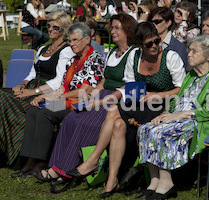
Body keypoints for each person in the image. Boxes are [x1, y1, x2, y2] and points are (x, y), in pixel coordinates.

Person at [66, 22, 186, 199]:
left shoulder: (171, 57)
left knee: (114, 112)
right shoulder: (134, 57)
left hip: (165, 105)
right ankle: (112, 179)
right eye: (149, 44)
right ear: (139, 46)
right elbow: (130, 86)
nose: (154, 46)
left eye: (156, 41)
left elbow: (182, 89)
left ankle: (93, 162)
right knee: (117, 125)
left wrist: (158, 95)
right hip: (140, 103)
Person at [33, 14, 137, 183]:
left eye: (117, 27)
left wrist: (57, 97)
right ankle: (53, 166)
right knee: (67, 118)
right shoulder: (105, 53)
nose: (112, 31)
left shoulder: (103, 57)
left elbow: (125, 86)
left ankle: (63, 168)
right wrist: (92, 96)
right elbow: (102, 82)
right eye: (112, 27)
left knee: (65, 117)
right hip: (93, 96)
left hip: (113, 99)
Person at [137, 35, 209, 199]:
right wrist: (166, 114)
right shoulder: (191, 74)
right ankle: (154, 181)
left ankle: (167, 183)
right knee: (146, 129)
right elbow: (178, 101)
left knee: (161, 132)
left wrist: (182, 115)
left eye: (194, 51)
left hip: (201, 121)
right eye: (189, 50)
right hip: (180, 117)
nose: (189, 54)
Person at [11, 22, 105, 178]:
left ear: (87, 39)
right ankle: (28, 160)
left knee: (45, 113)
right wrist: (45, 96)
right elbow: (63, 86)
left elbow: (85, 90)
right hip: (66, 100)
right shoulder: (73, 60)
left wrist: (56, 97)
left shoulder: (94, 60)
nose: (71, 44)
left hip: (81, 103)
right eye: (70, 40)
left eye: (75, 40)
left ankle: (41, 162)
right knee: (34, 110)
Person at [0, 12, 74, 167]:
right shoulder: (42, 48)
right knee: (2, 94)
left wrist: (33, 92)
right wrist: (23, 84)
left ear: (64, 30)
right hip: (32, 86)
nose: (51, 29)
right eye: (48, 25)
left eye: (56, 27)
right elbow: (33, 72)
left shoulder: (66, 51)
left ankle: (16, 152)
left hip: (47, 91)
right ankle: (6, 148)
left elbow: (58, 80)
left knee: (4, 100)